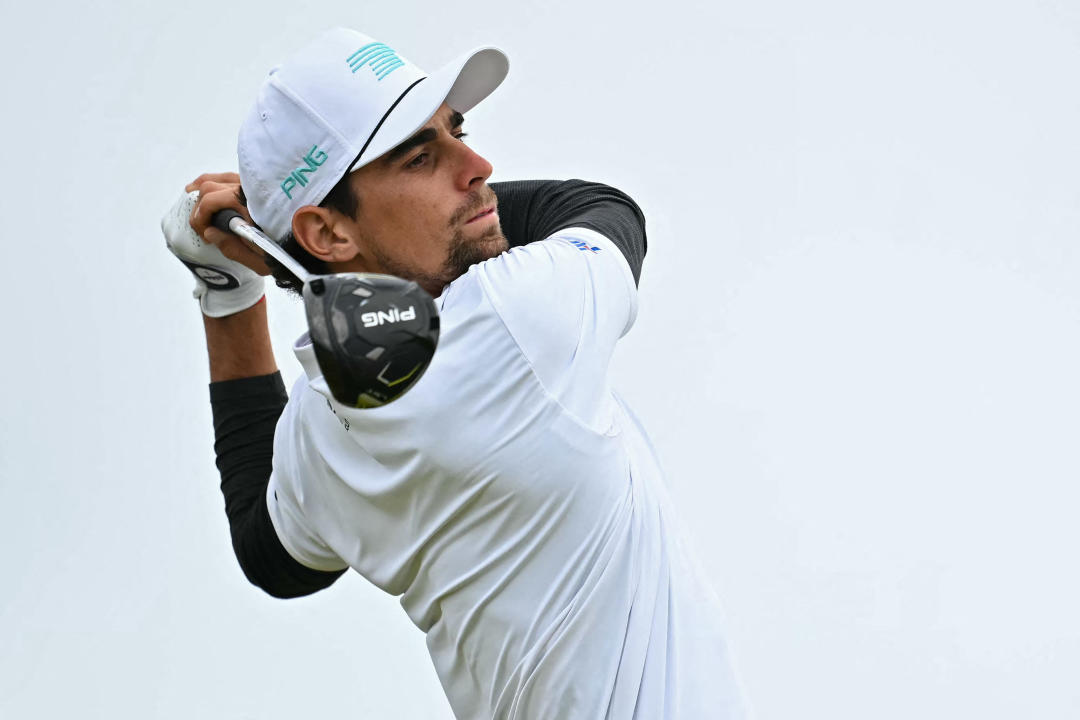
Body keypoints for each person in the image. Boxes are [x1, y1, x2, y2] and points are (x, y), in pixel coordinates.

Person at [162, 27, 747, 719]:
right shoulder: (518, 316)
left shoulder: (324, 426)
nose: (477, 166)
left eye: (457, 131)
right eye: (420, 157)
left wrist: (229, 290)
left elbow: (272, 556)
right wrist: (283, 250)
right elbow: (598, 206)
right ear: (328, 233)